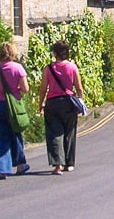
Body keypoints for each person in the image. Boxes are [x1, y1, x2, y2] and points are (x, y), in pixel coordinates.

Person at [38, 40, 84, 176]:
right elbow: (79, 87)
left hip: (52, 103)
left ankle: (58, 165)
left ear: (54, 53)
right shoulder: (73, 67)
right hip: (69, 103)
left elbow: (42, 88)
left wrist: (40, 103)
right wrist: (80, 102)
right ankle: (69, 164)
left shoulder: (48, 68)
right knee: (70, 132)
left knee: (54, 133)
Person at [0, 42, 30, 179]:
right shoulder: (18, 68)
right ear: (13, 53)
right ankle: (20, 165)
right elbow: (25, 89)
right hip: (14, 105)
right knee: (15, 132)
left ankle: (2, 169)